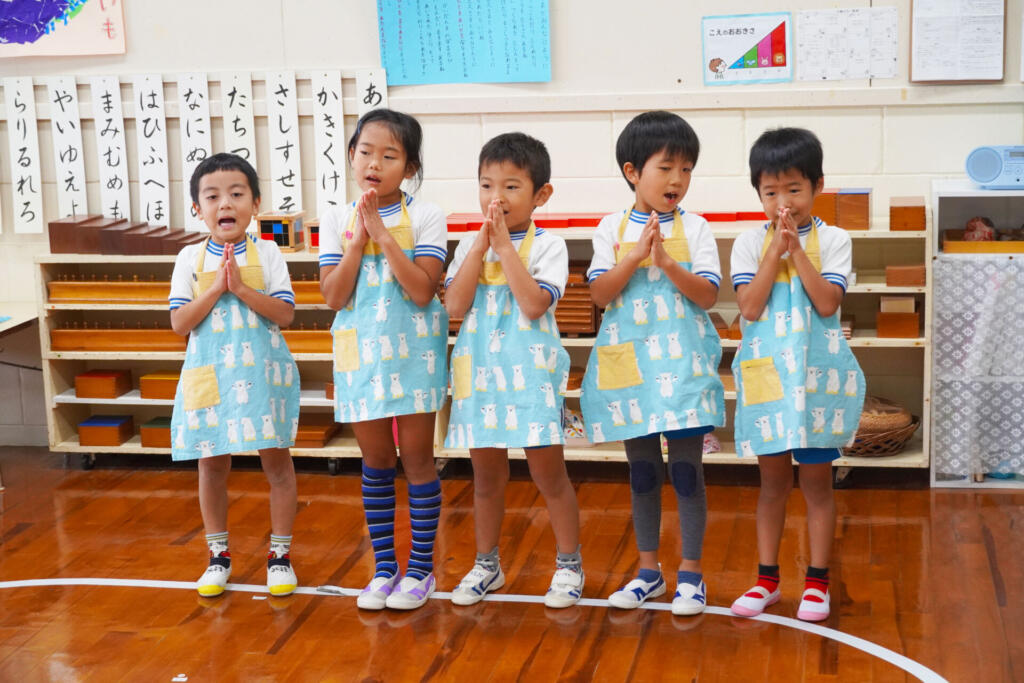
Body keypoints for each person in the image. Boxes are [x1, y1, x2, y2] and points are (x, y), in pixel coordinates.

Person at [579, 111, 724, 615]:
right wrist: (634, 257)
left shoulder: (698, 228)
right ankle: (647, 571)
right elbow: (599, 293)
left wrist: (665, 263)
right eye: (666, 168)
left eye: (686, 169)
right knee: (642, 473)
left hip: (681, 369)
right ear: (632, 172)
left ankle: (692, 574)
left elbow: (707, 296)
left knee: (686, 472)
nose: (677, 180)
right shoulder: (610, 228)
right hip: (630, 371)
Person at [729, 127, 865, 622]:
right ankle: (766, 580)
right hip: (769, 382)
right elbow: (748, 305)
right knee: (770, 485)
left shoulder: (834, 239)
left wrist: (798, 251)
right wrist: (773, 252)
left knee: (816, 485)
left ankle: (817, 584)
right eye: (770, 192)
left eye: (793, 189)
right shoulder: (748, 242)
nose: (782, 201)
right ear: (758, 193)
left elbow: (828, 302)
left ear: (817, 185)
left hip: (817, 383)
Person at [444, 132, 583, 609]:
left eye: (510, 187)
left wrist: (504, 249)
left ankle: (569, 566)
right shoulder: (469, 244)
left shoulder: (549, 245)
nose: (495, 198)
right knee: (485, 478)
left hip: (531, 376)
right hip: (479, 373)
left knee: (549, 474)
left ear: (540, 194)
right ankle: (487, 564)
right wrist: (481, 248)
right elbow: (454, 306)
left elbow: (531, 303)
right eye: (486, 186)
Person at [319, 109, 447, 611]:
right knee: (374, 463)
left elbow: (421, 291)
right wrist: (357, 242)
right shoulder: (334, 217)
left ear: (409, 167)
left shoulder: (428, 215)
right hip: (360, 356)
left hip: (413, 353)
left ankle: (420, 570)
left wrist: (384, 235)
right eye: (366, 151)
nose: (375, 163)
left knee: (416, 460)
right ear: (351, 155)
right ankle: (383, 569)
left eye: (389, 155)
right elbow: (333, 296)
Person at [168, 153, 300, 598]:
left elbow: (285, 314)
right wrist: (216, 289)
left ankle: (279, 556)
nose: (225, 203)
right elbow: (179, 323)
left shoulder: (268, 252)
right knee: (211, 465)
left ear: (255, 203)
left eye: (237, 193)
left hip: (264, 376)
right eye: (213, 196)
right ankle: (218, 556)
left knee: (277, 464)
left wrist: (242, 289)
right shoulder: (188, 258)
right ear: (197, 208)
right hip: (210, 377)